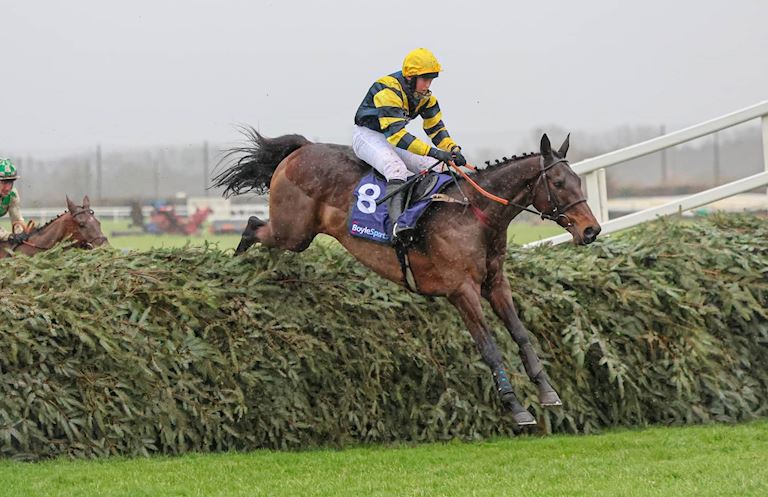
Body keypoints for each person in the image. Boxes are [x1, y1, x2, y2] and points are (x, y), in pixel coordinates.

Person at [353, 48, 467, 241]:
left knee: (437, 166)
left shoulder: (426, 98)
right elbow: (397, 135)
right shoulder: (388, 90)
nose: (428, 85)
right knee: (396, 168)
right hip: (368, 135)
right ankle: (398, 226)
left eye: (431, 80)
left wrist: (452, 149)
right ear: (410, 77)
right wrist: (435, 152)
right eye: (424, 80)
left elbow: (436, 129)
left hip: (390, 137)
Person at [0, 158, 28, 245]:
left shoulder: (12, 195)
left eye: (10, 182)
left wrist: (19, 234)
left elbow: (17, 219)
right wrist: (9, 236)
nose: (8, 188)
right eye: (4, 182)